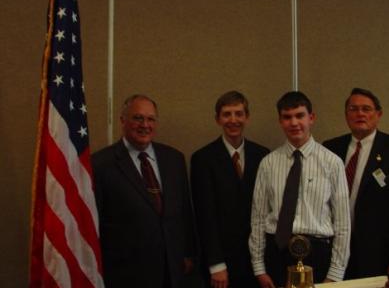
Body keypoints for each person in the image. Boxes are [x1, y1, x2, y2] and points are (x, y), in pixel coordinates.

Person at [249, 91, 351, 288]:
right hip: (277, 253)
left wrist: (336, 273)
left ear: (311, 118)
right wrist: (259, 267)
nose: (294, 123)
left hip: (318, 255)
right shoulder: (268, 164)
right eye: (287, 117)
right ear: (280, 121)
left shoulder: (332, 163)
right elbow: (258, 218)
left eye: (299, 115)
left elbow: (343, 222)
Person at [92, 94, 195, 288]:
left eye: (150, 119)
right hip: (127, 272)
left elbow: (184, 212)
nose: (145, 125)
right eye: (138, 118)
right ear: (123, 120)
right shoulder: (101, 164)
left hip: (172, 269)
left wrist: (188, 253)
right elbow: (95, 222)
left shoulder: (174, 159)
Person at [323, 88, 389, 281]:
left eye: (366, 109)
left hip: (378, 255)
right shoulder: (331, 148)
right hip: (334, 252)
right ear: (346, 115)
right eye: (353, 109)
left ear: (378, 114)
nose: (360, 114)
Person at [191, 91, 269, 288]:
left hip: (258, 261)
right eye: (227, 114)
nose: (233, 120)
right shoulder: (202, 159)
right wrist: (216, 264)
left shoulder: (263, 156)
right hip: (222, 265)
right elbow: (205, 216)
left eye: (239, 113)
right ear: (217, 119)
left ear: (247, 117)